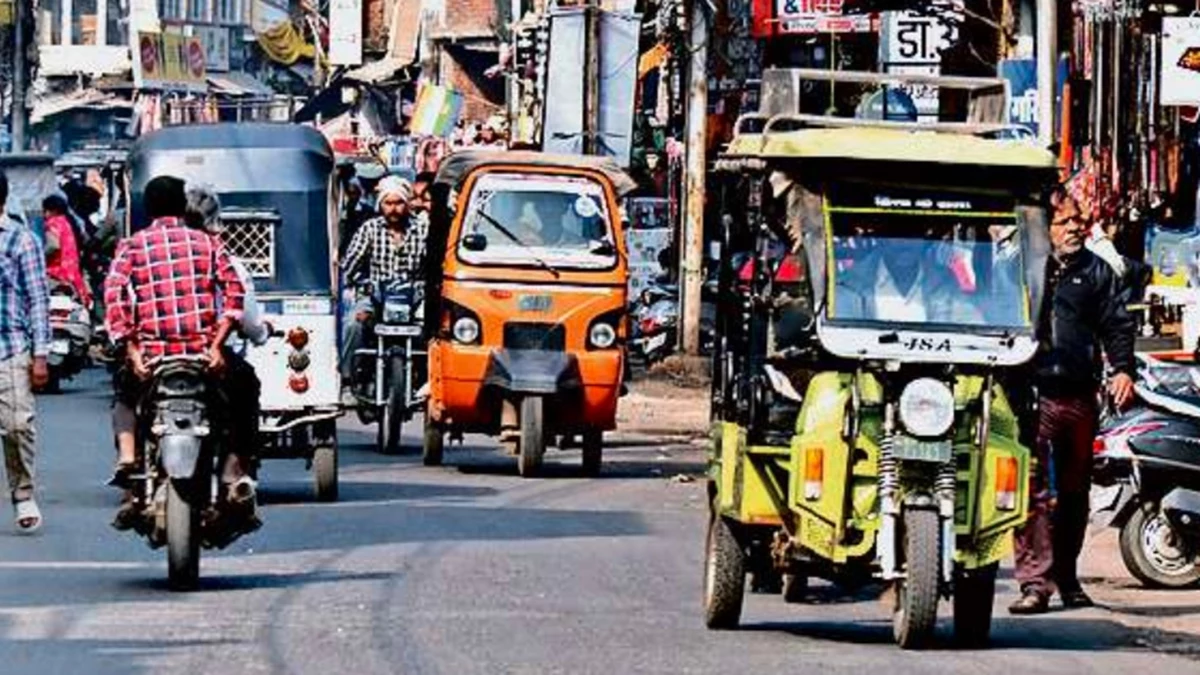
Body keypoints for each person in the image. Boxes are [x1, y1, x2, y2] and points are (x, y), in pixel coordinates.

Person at [1008, 187, 1137, 615]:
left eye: (1079, 221)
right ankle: (1034, 584)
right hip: (1033, 397)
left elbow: (1118, 324)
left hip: (1080, 399)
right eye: (1066, 222)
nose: (1075, 228)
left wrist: (1122, 368)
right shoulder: (1023, 267)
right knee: (1034, 494)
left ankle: (1067, 577)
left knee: (1076, 494)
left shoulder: (1097, 272)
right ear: (1045, 226)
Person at [103, 175, 249, 525]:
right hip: (202, 355)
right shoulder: (209, 244)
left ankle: (127, 457)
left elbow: (114, 295)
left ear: (148, 208)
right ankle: (233, 470)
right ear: (182, 207)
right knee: (245, 389)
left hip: (152, 359)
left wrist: (133, 350)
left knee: (125, 395)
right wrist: (216, 346)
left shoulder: (132, 246)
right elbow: (235, 293)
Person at [183, 183, 269, 515]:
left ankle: (134, 467)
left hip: (160, 356)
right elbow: (245, 318)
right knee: (247, 386)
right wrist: (260, 333)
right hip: (212, 355)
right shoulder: (223, 257)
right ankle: (235, 468)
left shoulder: (151, 250)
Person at [340, 175, 429, 398]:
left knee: (435, 328)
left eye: (399, 203)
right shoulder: (370, 229)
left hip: (414, 297)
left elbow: (434, 264)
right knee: (353, 324)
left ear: (407, 204)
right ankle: (348, 379)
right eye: (388, 203)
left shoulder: (422, 230)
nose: (394, 209)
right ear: (381, 205)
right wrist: (353, 284)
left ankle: (429, 378)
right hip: (376, 296)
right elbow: (349, 266)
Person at [0, 172, 51, 533]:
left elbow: (38, 299)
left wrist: (41, 355)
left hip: (10, 348)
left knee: (17, 427)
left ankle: (22, 494)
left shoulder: (21, 240)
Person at [42, 194, 92, 307]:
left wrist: (39, 258)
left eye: (45, 211)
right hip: (72, 273)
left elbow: (53, 246)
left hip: (57, 274)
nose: (43, 215)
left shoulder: (53, 223)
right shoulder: (67, 223)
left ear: (52, 211)